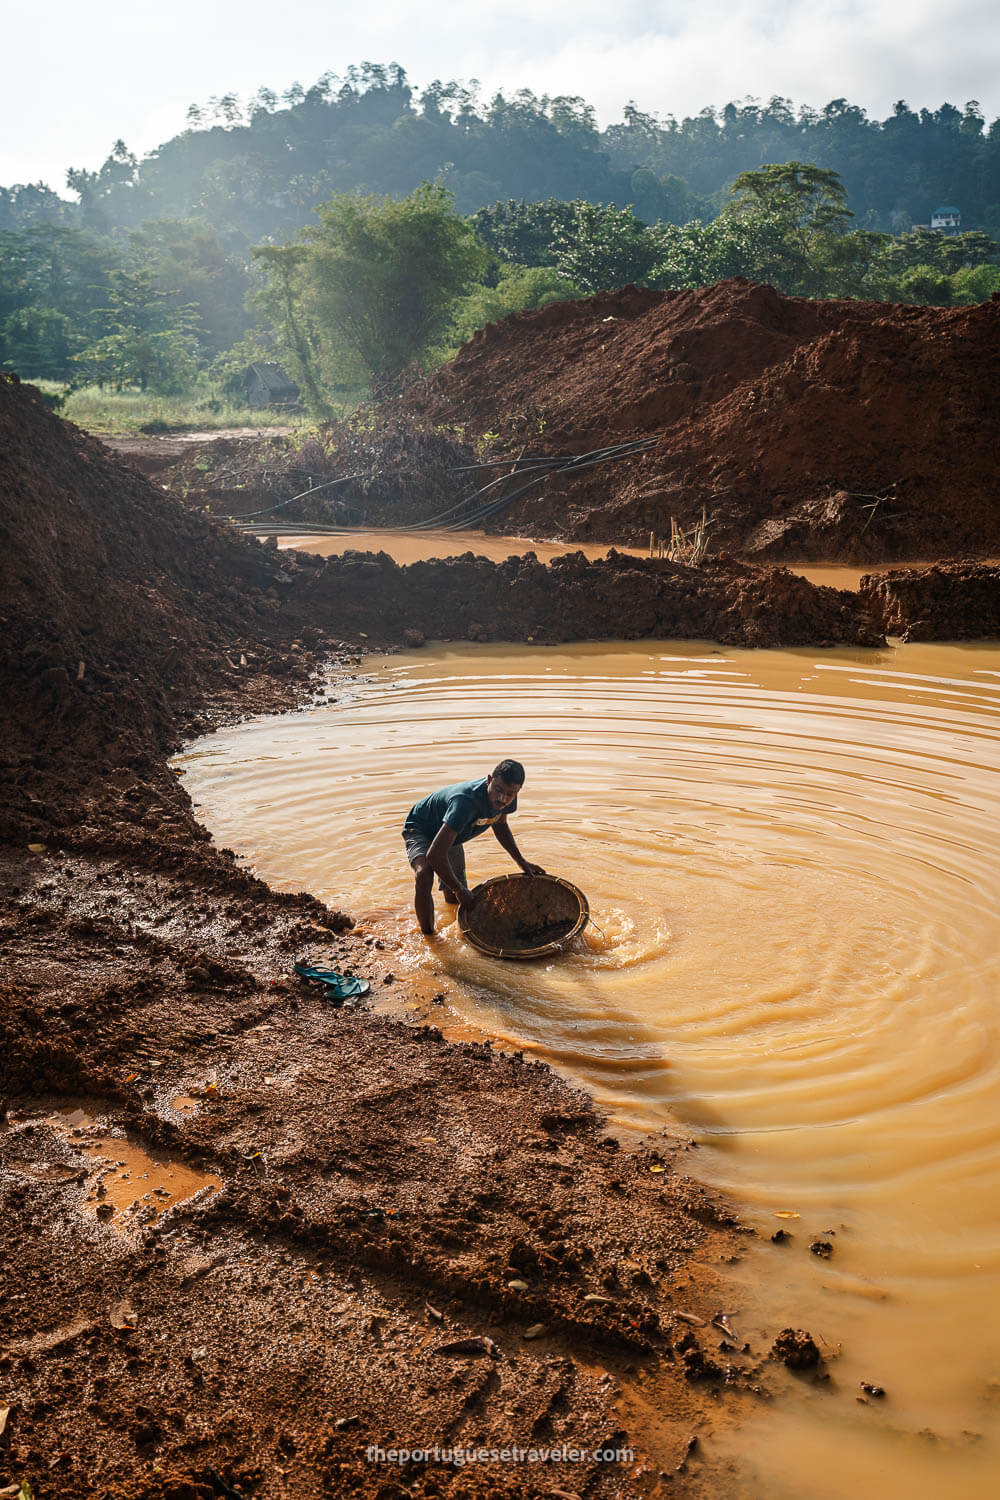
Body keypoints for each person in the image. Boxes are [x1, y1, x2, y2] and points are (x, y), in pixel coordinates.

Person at [402, 758, 544, 935]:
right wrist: (460, 889)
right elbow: (434, 855)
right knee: (425, 874)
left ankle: (451, 920)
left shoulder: (508, 799)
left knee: (455, 899)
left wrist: (522, 862)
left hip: (452, 833)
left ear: (517, 791)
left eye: (510, 794)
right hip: (422, 827)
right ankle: (430, 938)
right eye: (498, 790)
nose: (502, 798)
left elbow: (500, 825)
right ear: (489, 780)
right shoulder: (465, 802)